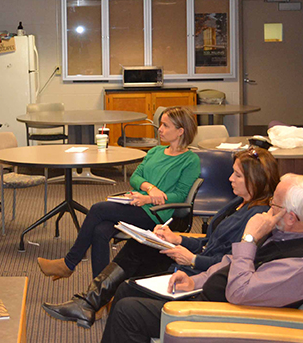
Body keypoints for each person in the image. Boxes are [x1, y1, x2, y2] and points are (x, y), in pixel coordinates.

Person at [42, 147, 279, 328]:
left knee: (123, 245)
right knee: (137, 245)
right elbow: (210, 241)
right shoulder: (240, 203)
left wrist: (193, 259)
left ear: (254, 180)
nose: (230, 179)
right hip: (194, 258)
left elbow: (229, 261)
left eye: (236, 176)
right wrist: (177, 238)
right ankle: (88, 301)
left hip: (201, 274)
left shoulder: (257, 217)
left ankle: (88, 302)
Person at [101, 173, 303, 343]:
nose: (269, 209)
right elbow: (230, 263)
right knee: (127, 290)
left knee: (127, 312)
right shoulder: (282, 236)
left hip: (223, 318)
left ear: (290, 217)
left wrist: (250, 240)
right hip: (210, 297)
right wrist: (196, 281)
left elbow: (239, 292)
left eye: (274, 204)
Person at [37, 107, 200, 280]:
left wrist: (148, 198)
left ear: (181, 131)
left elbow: (181, 195)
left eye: (166, 126)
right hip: (137, 204)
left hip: (155, 214)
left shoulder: (190, 160)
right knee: (100, 231)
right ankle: (99, 292)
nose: (160, 129)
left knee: (98, 209)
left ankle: (68, 264)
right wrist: (149, 188)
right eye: (160, 124)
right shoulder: (155, 151)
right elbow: (135, 177)